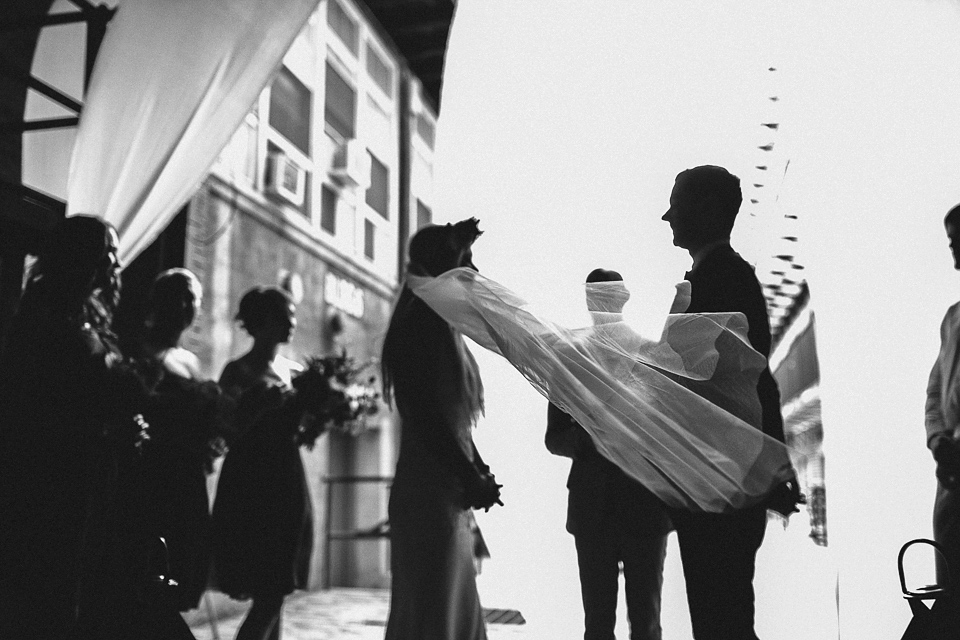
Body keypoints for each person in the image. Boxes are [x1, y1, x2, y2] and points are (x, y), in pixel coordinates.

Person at [660, 165, 801, 640]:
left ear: (707, 208)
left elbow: (716, 381)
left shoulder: (720, 281)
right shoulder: (729, 277)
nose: (666, 216)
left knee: (720, 619)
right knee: (726, 614)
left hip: (717, 477)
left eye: (676, 202)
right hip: (724, 475)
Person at [0, 215, 150, 640]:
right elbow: (35, 412)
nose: (116, 264)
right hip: (53, 484)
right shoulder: (43, 321)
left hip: (93, 479)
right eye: (109, 253)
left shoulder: (89, 318)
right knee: (51, 598)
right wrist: (105, 426)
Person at [381, 218, 502, 640]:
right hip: (428, 492)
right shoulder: (422, 323)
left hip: (447, 492)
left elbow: (455, 422)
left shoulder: (444, 324)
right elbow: (425, 416)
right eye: (465, 259)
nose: (475, 269)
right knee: (432, 614)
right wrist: (469, 475)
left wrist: (480, 469)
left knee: (449, 611)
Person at [545, 268, 671, 640]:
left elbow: (555, 439)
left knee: (625, 622)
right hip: (621, 503)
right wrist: (595, 439)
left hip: (619, 502)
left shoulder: (645, 356)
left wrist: (589, 438)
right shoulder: (574, 361)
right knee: (621, 622)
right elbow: (554, 438)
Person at [210, 287, 313, 640]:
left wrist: (323, 414)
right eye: (286, 315)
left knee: (278, 588)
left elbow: (302, 433)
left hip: (288, 482)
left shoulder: (294, 372)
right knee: (270, 594)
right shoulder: (236, 372)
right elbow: (224, 431)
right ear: (264, 321)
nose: (293, 322)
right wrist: (258, 409)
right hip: (251, 486)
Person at [134, 269, 229, 613]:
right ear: (159, 301)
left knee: (187, 564)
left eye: (194, 299)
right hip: (156, 473)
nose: (188, 305)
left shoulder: (190, 360)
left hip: (189, 473)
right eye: (181, 296)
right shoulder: (139, 349)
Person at [925, 203, 960, 587]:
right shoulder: (953, 318)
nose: (954, 251)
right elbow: (935, 392)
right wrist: (938, 439)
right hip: (952, 471)